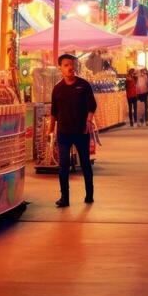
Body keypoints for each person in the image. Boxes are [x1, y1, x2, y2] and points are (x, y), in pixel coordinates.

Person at [50, 54, 97, 207]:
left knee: (84, 164)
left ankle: (89, 194)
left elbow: (92, 106)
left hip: (81, 131)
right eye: (66, 65)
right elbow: (54, 113)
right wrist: (50, 131)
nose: (70, 68)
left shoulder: (84, 85)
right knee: (63, 165)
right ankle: (65, 197)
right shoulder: (57, 89)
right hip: (63, 132)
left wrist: (89, 120)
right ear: (60, 68)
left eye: (72, 64)